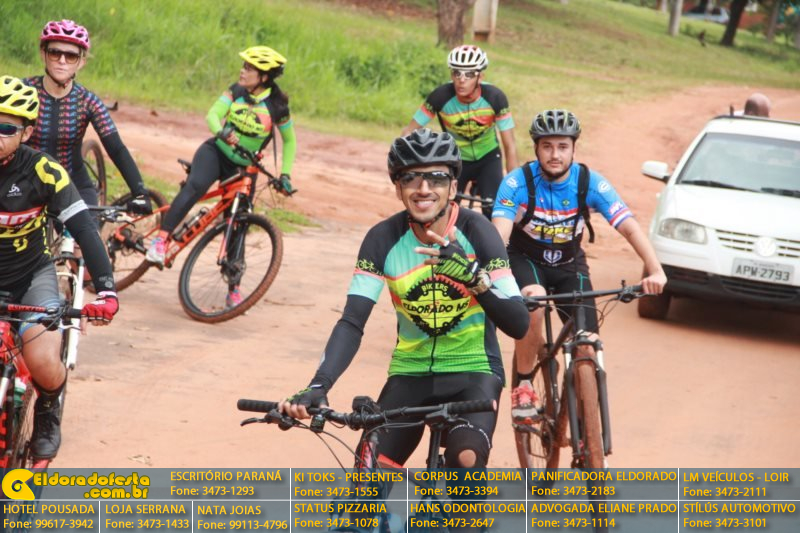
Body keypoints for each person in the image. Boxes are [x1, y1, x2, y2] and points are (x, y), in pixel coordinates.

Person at [281, 130, 528, 529]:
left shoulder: (479, 233)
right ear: (397, 187)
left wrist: (475, 279)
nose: (423, 188)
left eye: (436, 177)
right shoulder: (382, 239)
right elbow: (352, 321)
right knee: (366, 487)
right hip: (409, 375)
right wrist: (318, 385)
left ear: (453, 185)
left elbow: (518, 323)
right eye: (410, 177)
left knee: (465, 459)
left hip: (474, 372)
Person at [491, 109, 667, 423]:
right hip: (526, 260)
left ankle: (588, 420)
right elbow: (499, 236)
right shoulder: (516, 182)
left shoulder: (590, 183)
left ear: (574, 148)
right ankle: (525, 384)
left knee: (588, 341)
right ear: (536, 148)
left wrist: (655, 270)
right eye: (547, 146)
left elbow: (629, 228)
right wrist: (492, 272)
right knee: (533, 302)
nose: (555, 154)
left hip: (570, 264)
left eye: (562, 146)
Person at [0, 75, 120, 458]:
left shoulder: (43, 171)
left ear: (27, 133)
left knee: (40, 359)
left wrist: (107, 290)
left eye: (6, 128)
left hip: (30, 279)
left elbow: (83, 227)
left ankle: (48, 411)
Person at [146, 46, 296, 305]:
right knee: (195, 187)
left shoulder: (277, 106)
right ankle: (160, 241)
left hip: (245, 169)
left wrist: (285, 175)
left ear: (264, 77)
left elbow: (290, 141)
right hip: (215, 152)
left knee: (238, 223)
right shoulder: (236, 90)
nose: (242, 71)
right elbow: (213, 115)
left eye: (249, 68)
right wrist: (222, 131)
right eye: (244, 66)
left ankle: (233, 289)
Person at [25, 19, 151, 214]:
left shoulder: (88, 101)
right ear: (43, 54)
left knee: (89, 231)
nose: (62, 60)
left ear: (81, 62)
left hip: (73, 184)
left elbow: (116, 149)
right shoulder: (22, 91)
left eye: (71, 56)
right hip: (24, 182)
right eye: (55, 52)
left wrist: (140, 192)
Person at [401, 45, 518, 218]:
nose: (461, 80)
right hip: (456, 159)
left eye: (469, 74)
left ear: (480, 77)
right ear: (451, 75)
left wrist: (514, 184)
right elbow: (409, 132)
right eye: (457, 73)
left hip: (488, 157)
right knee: (444, 209)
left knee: (494, 210)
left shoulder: (495, 98)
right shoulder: (440, 97)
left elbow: (510, 145)